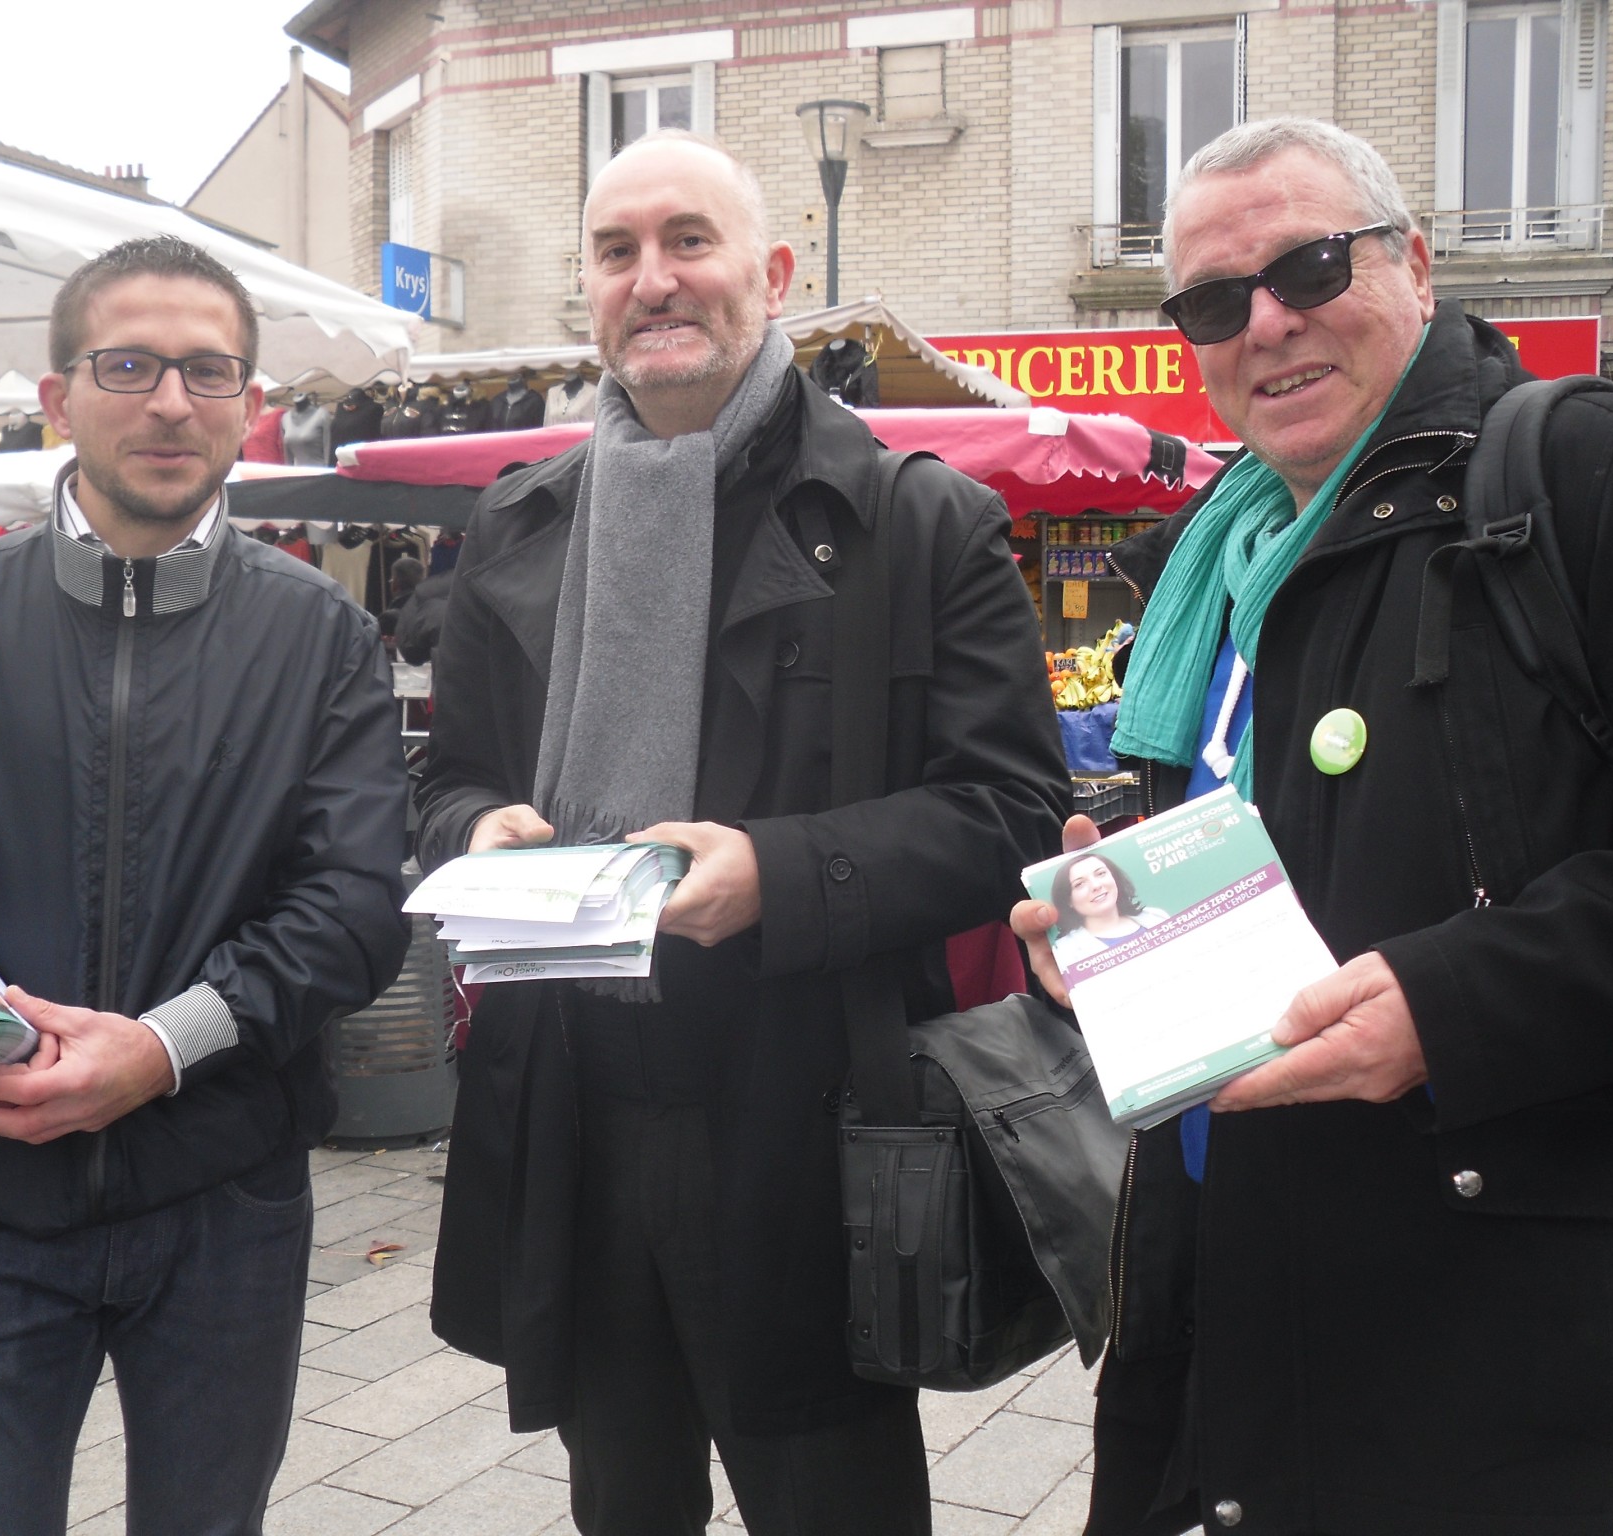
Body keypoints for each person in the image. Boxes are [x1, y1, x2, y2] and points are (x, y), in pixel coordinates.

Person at [1011, 118, 1613, 1536]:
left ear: (1414, 261)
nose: (1267, 323)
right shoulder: (1211, 571)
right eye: (1217, 304)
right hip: (1237, 1299)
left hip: (1530, 1369)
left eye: (1307, 266)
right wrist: (1110, 920)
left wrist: (1451, 1003)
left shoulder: (1598, 476)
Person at [418, 130, 1069, 1536]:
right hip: (572, 1120)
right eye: (616, 251)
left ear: (771, 276)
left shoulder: (916, 520)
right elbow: (447, 778)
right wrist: (477, 822)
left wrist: (778, 874)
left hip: (804, 1127)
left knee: (834, 1505)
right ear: (587, 293)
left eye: (689, 241)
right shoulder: (518, 531)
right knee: (622, 1508)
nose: (654, 279)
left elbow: (1011, 811)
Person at [0, 234, 412, 1536]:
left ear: (253, 405)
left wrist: (158, 1050)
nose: (172, 402)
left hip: (224, 1197)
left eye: (210, 371)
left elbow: (352, 909)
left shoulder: (324, 639)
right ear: (56, 395)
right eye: (129, 365)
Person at [1046, 849, 1166, 965]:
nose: (1096, 886)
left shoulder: (1156, 917)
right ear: (1068, 900)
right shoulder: (1065, 951)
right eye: (1079, 884)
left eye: (1100, 873)